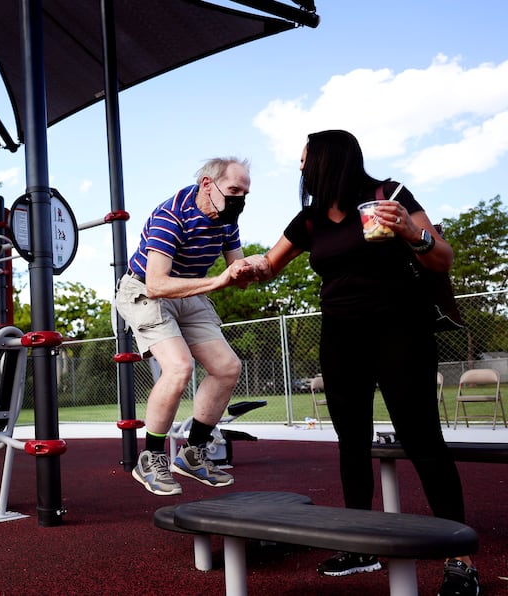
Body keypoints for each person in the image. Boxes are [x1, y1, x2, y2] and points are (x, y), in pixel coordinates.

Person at [237, 130, 478, 596]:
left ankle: (459, 555)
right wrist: (250, 268)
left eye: (304, 159)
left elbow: (442, 259)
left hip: (400, 330)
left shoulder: (389, 195)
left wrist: (411, 231)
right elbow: (271, 264)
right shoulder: (309, 220)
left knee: (422, 437)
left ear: (328, 160)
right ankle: (361, 545)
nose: (300, 168)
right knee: (352, 441)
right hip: (342, 336)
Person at [114, 157, 251, 496]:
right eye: (234, 190)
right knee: (178, 367)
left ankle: (193, 452)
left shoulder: (226, 220)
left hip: (189, 290)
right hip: (146, 289)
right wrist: (218, 281)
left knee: (227, 367)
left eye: (245, 192)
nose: (240, 198)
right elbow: (157, 284)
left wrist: (254, 268)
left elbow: (239, 276)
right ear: (208, 184)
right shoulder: (171, 216)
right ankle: (151, 457)